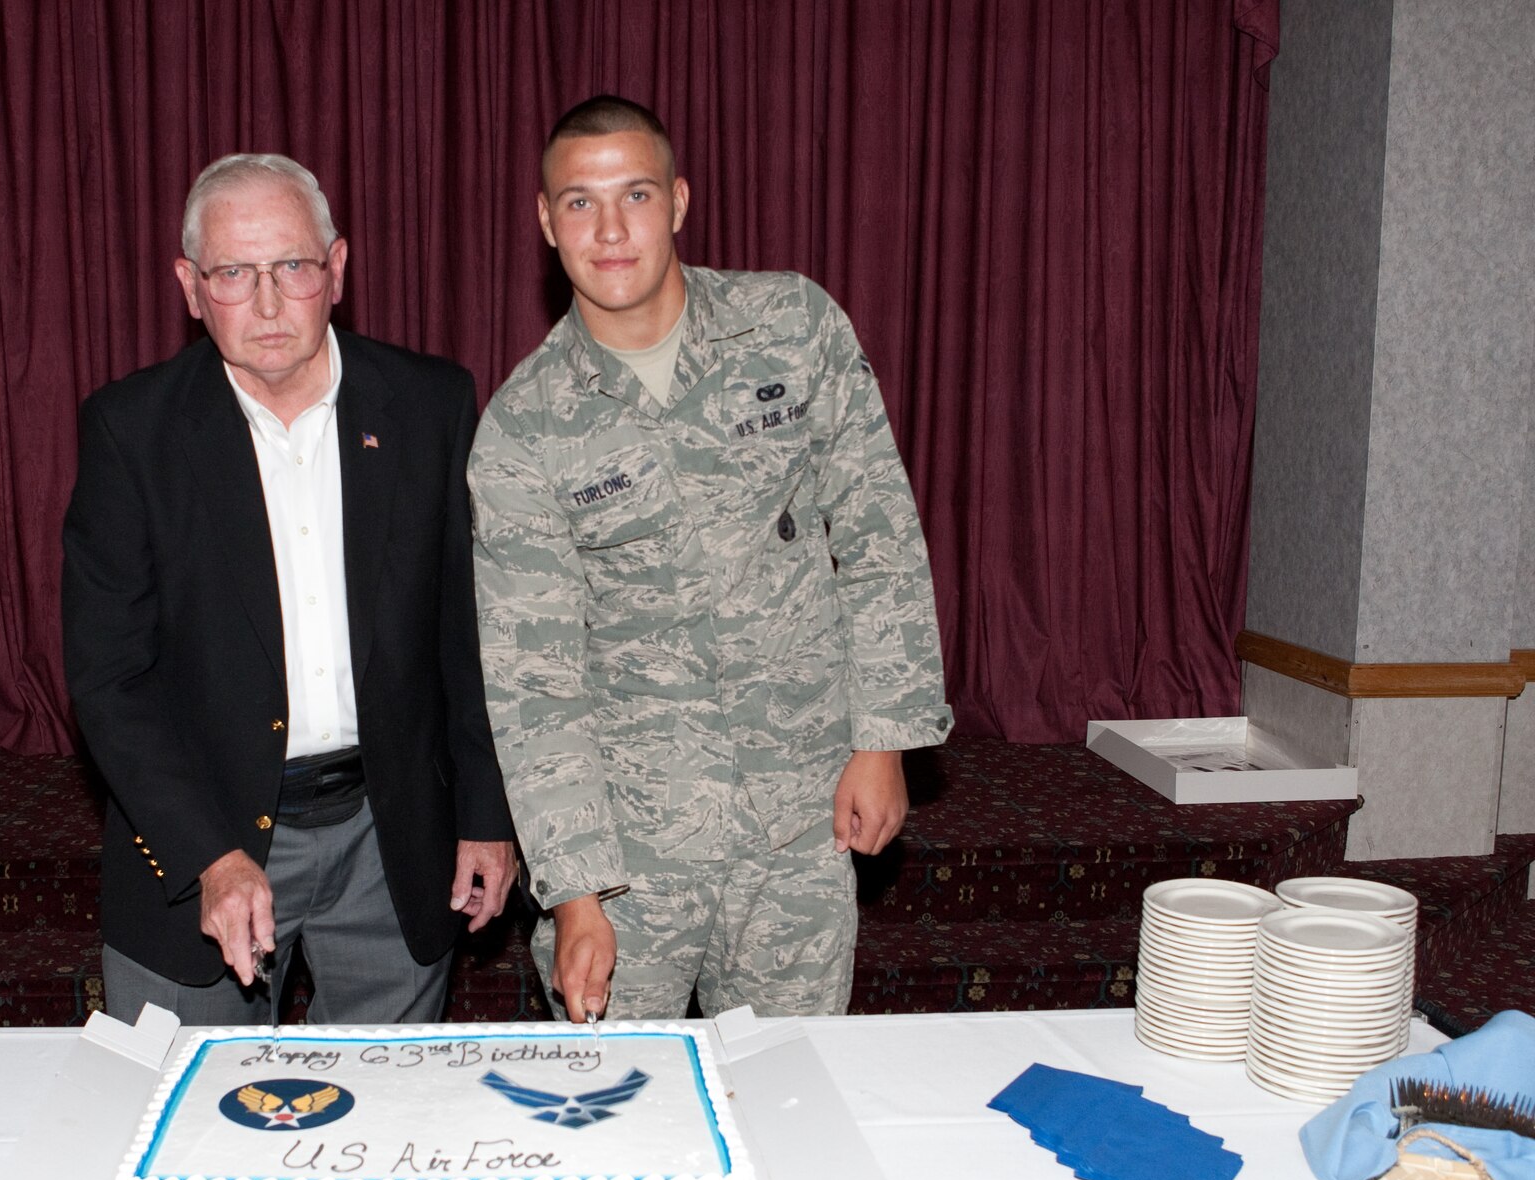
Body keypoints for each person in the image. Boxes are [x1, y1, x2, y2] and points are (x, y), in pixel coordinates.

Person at [468, 97, 952, 1024]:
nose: (610, 230)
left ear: (679, 201)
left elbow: (880, 535)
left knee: (790, 1101)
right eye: (579, 203)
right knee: (617, 1118)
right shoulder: (523, 429)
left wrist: (883, 739)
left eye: (636, 194)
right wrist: (575, 894)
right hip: (631, 859)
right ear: (543, 221)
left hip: (802, 818)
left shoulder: (792, 326)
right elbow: (535, 683)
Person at [64, 153, 516, 1025]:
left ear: (337, 269)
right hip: (202, 835)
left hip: (393, 839)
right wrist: (209, 856)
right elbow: (107, 677)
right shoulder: (131, 430)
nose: (267, 303)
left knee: (386, 1126)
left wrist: (487, 812)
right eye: (235, 273)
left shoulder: (430, 404)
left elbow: (473, 636)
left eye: (293, 267)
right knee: (189, 1124)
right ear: (191, 288)